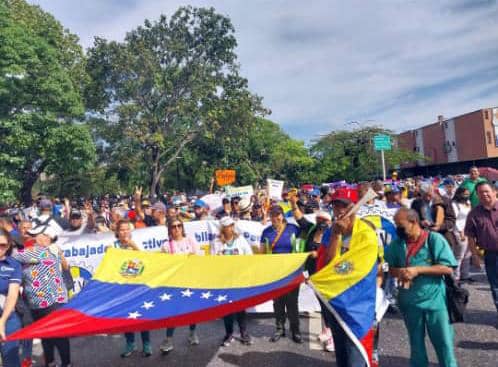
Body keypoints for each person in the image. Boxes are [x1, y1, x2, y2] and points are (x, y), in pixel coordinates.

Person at [386, 208, 457, 367]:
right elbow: (388, 268)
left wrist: (418, 270)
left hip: (435, 301)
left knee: (444, 344)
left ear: (414, 222)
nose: (398, 229)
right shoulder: (397, 244)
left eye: (401, 225)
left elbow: (447, 268)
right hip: (409, 302)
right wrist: (400, 272)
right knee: (416, 345)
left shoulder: (434, 239)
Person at [322, 189, 379, 367]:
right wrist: (336, 235)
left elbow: (353, 269)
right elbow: (329, 265)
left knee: (357, 357)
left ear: (355, 207)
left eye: (344, 206)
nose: (339, 210)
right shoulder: (330, 232)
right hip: (337, 305)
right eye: (335, 206)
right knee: (343, 358)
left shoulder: (366, 234)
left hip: (358, 307)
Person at [12, 226, 72, 367]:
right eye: (42, 235)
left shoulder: (43, 252)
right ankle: (51, 363)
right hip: (36, 304)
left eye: (47, 236)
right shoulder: (37, 253)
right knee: (45, 336)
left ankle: (66, 364)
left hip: (52, 303)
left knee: (58, 336)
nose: (46, 238)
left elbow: (12, 255)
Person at [261, 206, 302, 344]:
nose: (275, 218)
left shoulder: (293, 228)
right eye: (272, 215)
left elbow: (301, 246)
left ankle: (295, 331)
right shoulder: (266, 232)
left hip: (291, 273)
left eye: (278, 215)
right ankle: (279, 329)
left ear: (283, 215)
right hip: (275, 274)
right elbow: (262, 253)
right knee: (278, 303)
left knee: (292, 304)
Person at [159, 219, 201, 354]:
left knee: (192, 310)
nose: (176, 229)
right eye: (173, 226)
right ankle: (169, 339)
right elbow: (163, 265)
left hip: (191, 281)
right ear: (169, 230)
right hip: (175, 284)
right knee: (173, 312)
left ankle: (192, 333)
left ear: (182, 228)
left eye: (179, 226)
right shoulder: (166, 245)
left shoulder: (190, 240)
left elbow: (199, 257)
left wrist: (192, 257)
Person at [111, 220, 151, 358]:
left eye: (127, 229)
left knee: (142, 315)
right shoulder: (113, 246)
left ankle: (146, 343)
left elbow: (147, 261)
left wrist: (134, 246)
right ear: (117, 232)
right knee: (126, 317)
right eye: (122, 230)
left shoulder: (137, 243)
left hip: (138, 286)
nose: (125, 232)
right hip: (122, 288)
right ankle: (130, 343)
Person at [214, 217, 253, 346]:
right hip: (224, 281)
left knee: (241, 308)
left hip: (239, 280)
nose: (230, 228)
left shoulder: (240, 240)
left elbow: (249, 256)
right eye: (227, 226)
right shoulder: (217, 242)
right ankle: (229, 334)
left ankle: (244, 334)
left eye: (231, 225)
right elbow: (212, 261)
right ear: (223, 228)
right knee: (227, 309)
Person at [464, 182, 498, 323]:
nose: (484, 194)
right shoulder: (474, 214)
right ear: (477, 195)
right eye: (480, 192)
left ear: (495, 191)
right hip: (491, 255)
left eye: (487, 191)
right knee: (496, 287)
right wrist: (475, 256)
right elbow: (470, 236)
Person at [0, 229, 22, 367]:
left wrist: (2, 321)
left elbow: (12, 294)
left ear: (8, 246)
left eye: (2, 245)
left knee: (11, 361)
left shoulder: (14, 264)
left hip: (8, 318)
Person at [451, 187, 472, 282]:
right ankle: (456, 276)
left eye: (468, 194)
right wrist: (461, 232)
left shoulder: (468, 203)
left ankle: (465, 275)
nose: (466, 196)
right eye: (465, 194)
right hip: (458, 230)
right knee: (459, 255)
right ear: (459, 194)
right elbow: (455, 219)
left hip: (468, 230)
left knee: (468, 254)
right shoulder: (454, 204)